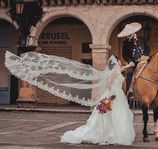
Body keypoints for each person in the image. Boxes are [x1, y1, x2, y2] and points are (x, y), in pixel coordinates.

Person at [5, 51, 135, 145]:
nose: (120, 62)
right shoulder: (114, 73)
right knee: (110, 117)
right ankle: (110, 134)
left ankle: (113, 133)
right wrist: (110, 98)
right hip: (113, 95)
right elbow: (110, 85)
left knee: (117, 117)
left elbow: (120, 71)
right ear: (115, 63)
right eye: (118, 61)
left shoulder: (117, 71)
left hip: (117, 97)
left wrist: (128, 66)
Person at [117, 22, 150, 98]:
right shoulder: (125, 43)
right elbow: (125, 55)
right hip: (133, 62)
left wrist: (145, 55)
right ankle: (129, 90)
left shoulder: (142, 38)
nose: (128, 37)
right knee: (129, 71)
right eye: (127, 35)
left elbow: (147, 48)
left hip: (143, 59)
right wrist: (130, 61)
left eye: (129, 35)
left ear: (133, 33)